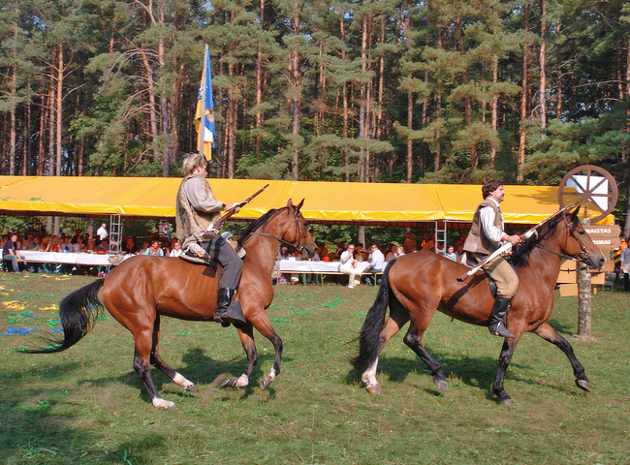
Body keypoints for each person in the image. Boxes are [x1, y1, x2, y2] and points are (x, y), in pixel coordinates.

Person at [175, 153, 245, 327]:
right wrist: (225, 206)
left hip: (203, 231)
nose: (206, 172)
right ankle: (223, 308)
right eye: (205, 168)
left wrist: (227, 212)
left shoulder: (188, 183)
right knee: (234, 263)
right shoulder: (194, 181)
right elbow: (201, 203)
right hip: (202, 235)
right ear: (197, 168)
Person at [463, 178, 522, 338]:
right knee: (510, 281)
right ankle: (495, 323)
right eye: (501, 189)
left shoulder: (494, 207)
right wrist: (508, 237)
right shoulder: (487, 207)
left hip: (490, 251)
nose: (504, 192)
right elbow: (490, 231)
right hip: (482, 251)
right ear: (491, 191)